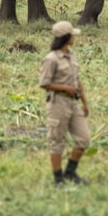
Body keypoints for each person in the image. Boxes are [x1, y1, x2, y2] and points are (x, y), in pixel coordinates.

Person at [39, 20, 91, 185]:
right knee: (57, 142)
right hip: (58, 103)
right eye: (72, 35)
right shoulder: (51, 59)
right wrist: (65, 88)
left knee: (84, 139)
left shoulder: (71, 55)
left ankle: (70, 172)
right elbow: (44, 83)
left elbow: (77, 79)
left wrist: (84, 102)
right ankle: (58, 178)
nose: (74, 38)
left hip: (73, 103)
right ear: (66, 37)